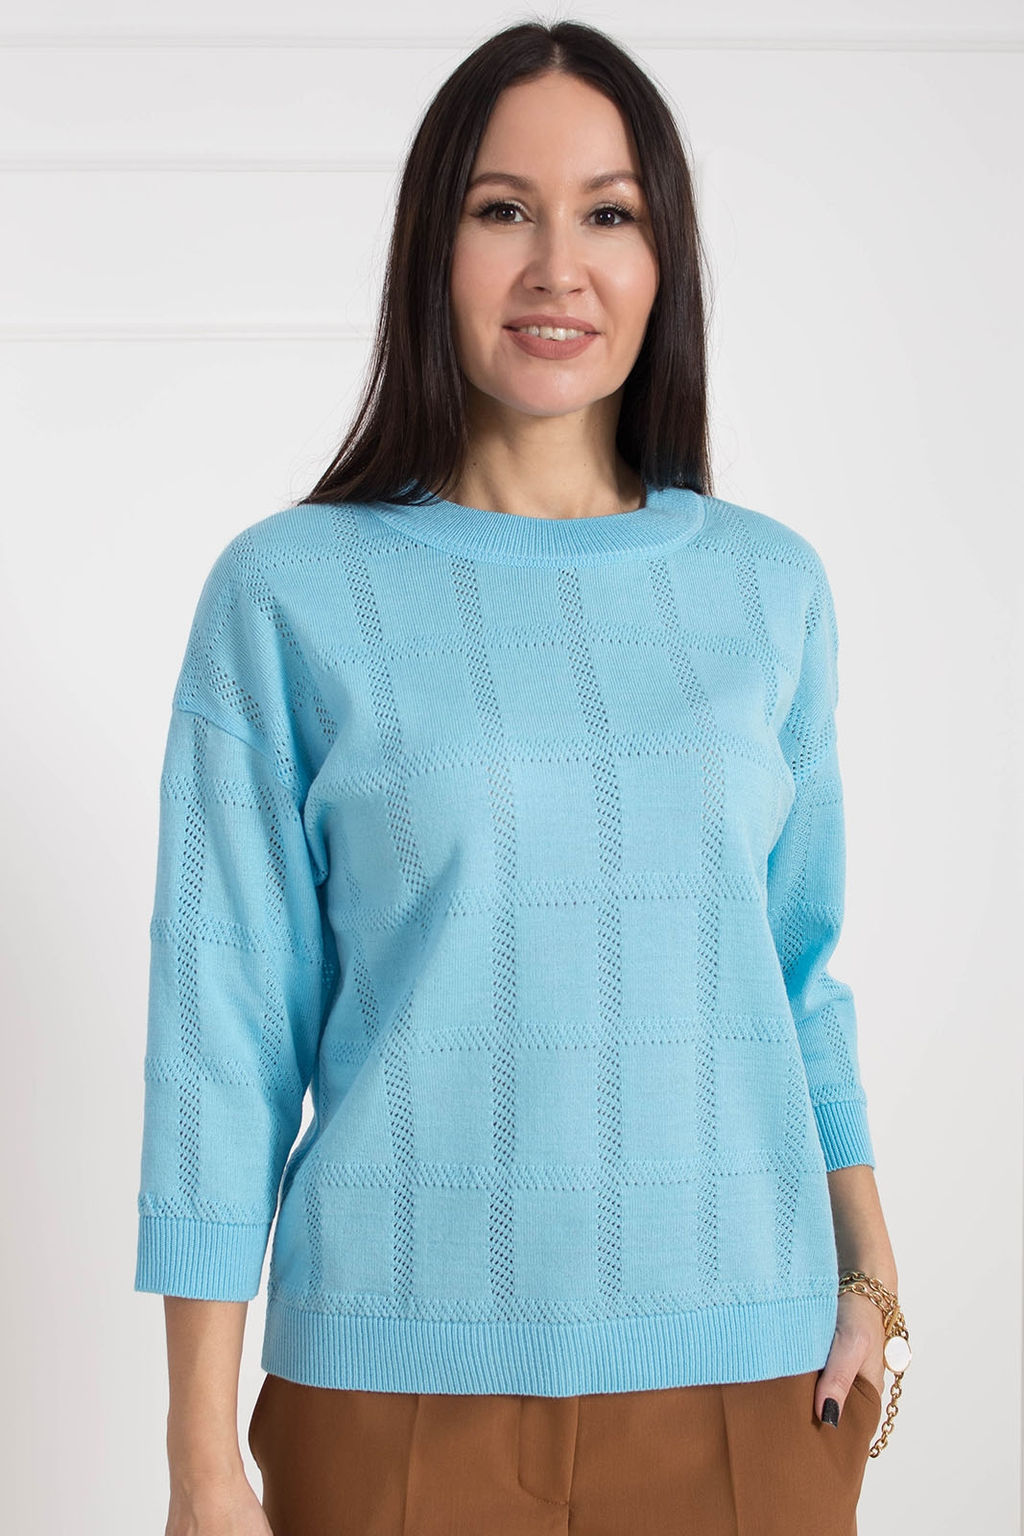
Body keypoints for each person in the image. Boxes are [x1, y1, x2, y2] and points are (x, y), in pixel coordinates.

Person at [134, 19, 906, 1536]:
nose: (560, 268)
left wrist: (871, 1273)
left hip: (754, 1389)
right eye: (505, 210)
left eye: (609, 214)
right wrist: (200, 1461)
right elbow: (222, 1037)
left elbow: (796, 968)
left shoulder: (768, 591)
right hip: (389, 1397)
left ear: (665, 261)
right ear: (434, 247)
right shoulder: (290, 593)